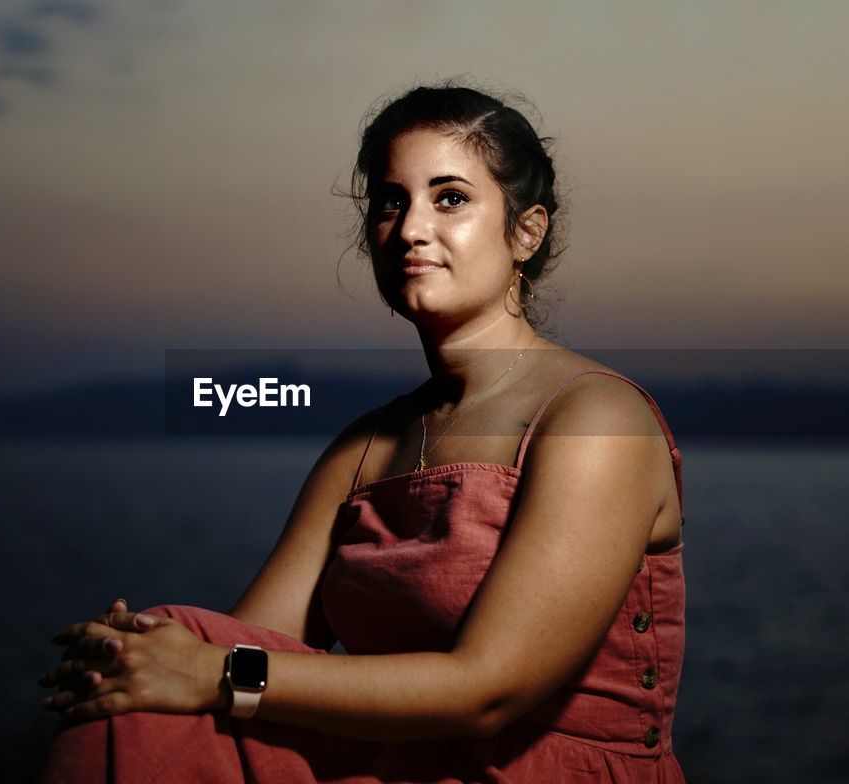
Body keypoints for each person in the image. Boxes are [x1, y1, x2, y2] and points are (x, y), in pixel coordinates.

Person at [36, 81, 687, 783]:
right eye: (390, 202)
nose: (410, 228)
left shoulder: (595, 421)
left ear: (525, 231)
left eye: (450, 198)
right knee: (143, 686)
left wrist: (211, 668)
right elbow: (252, 645)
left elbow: (489, 692)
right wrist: (146, 653)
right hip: (397, 769)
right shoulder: (364, 451)